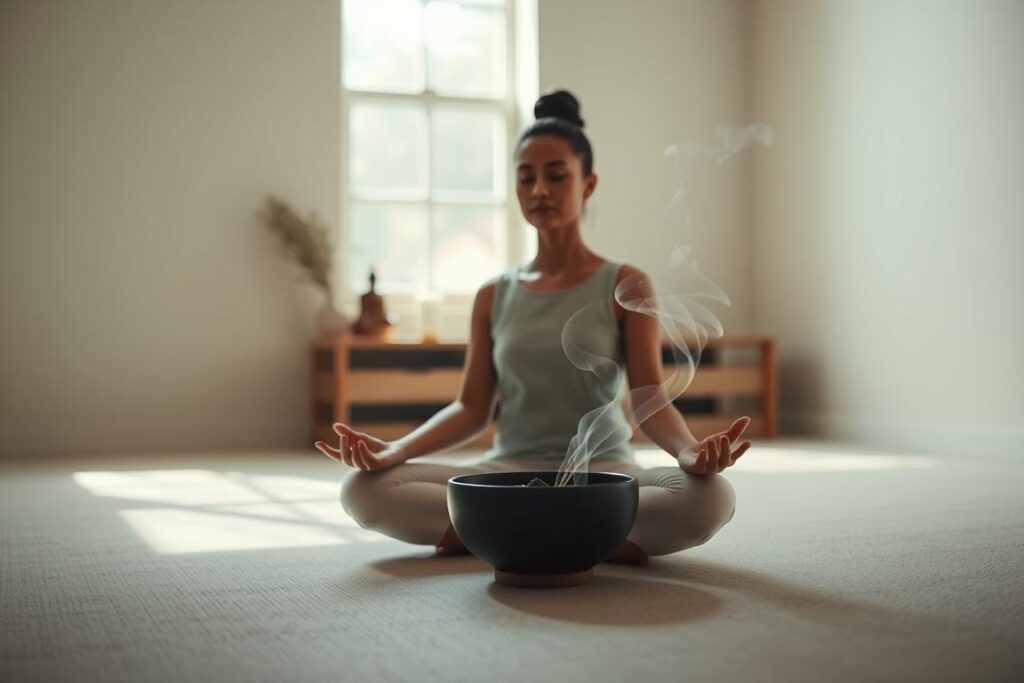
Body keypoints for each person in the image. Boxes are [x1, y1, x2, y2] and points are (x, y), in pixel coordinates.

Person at [315, 90, 751, 565]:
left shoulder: (626, 284)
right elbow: (470, 408)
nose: (539, 189)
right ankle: (590, 538)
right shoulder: (493, 295)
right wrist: (395, 451)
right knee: (364, 489)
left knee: (711, 498)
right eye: (526, 178)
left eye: (556, 175)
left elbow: (650, 401)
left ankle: (504, 536)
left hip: (601, 476)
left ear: (588, 184)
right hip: (506, 477)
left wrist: (688, 452)